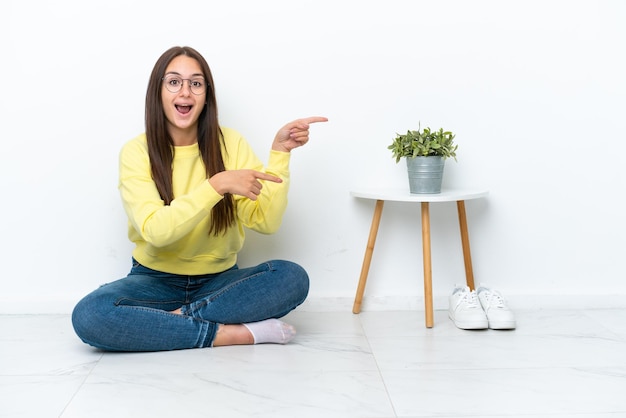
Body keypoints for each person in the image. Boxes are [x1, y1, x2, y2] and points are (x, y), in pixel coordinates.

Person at [71, 46, 327, 352]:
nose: (186, 92)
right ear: (159, 92)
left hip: (219, 283)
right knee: (90, 315)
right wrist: (216, 185)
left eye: (196, 83)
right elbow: (156, 231)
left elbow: (266, 221)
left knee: (292, 278)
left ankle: (171, 322)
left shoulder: (230, 144)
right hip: (154, 281)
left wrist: (280, 154)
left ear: (207, 95)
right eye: (174, 82)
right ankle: (235, 334)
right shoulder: (136, 152)